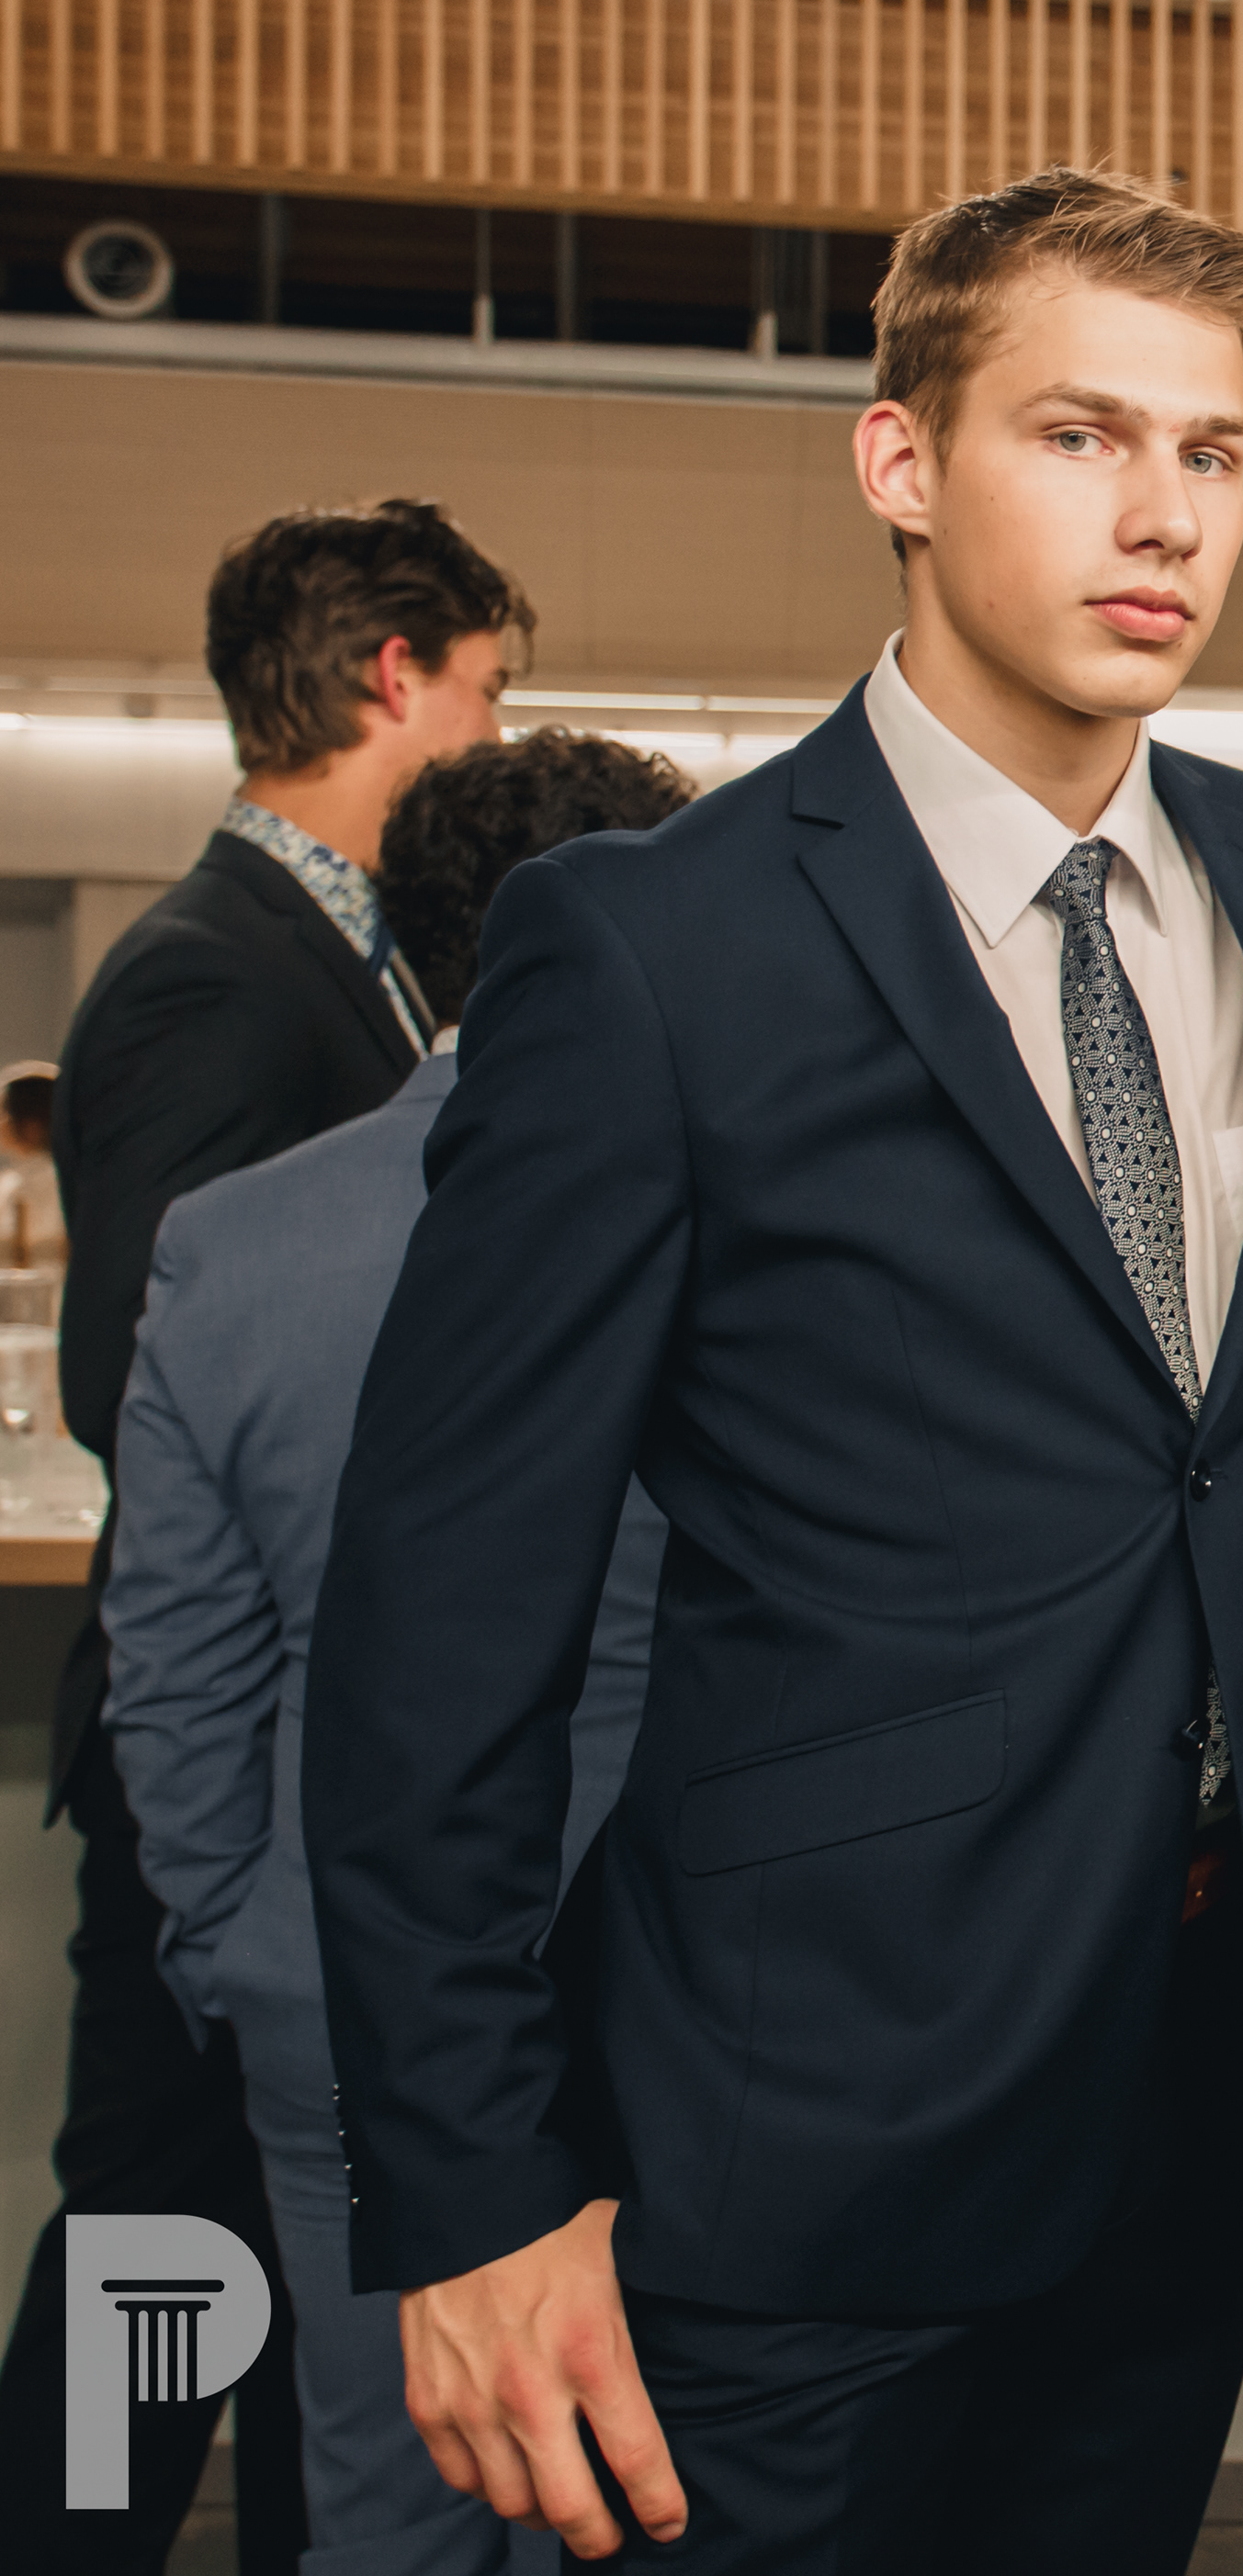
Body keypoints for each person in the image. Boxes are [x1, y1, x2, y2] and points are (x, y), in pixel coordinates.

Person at [303, 168, 1243, 2570]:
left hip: (1191, 2088)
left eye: (1214, 452)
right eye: (1080, 435)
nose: (1164, 514)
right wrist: (471, 2188)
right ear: (899, 460)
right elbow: (439, 1623)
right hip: (788, 2130)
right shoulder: (649, 948)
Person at [0, 497, 525, 2576]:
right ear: (396, 678)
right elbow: (140, 1368)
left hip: (304, 1811)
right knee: (151, 2265)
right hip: (225, 1787)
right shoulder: (214, 970)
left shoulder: (346, 959)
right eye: (485, 689)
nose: (494, 733)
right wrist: (228, 1900)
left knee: (310, 2309)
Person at [102, 731, 693, 2576]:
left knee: (391, 2505)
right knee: (679, 2495)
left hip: (336, 1992)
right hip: (688, 1985)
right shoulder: (739, 1225)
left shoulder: (231, 1244)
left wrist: (240, 1942)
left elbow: (174, 1670)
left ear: (413, 950)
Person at [0, 1062, 64, 1270]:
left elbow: (36, 1250)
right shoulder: (11, 1180)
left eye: (4, 1113)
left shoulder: (53, 1180)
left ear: (31, 1125)